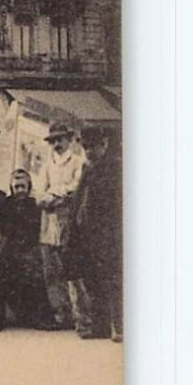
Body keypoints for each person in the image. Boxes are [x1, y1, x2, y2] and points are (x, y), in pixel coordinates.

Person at [67, 127, 123, 341]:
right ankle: (100, 327)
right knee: (92, 280)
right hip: (86, 234)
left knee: (112, 280)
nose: (90, 151)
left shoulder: (115, 168)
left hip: (107, 234)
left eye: (94, 146)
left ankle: (119, 327)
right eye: (86, 147)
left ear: (105, 144)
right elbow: (79, 199)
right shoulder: (87, 168)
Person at [34, 120, 86, 329]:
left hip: (69, 221)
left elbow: (76, 186)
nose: (57, 144)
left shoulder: (78, 161)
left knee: (72, 269)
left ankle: (80, 315)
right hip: (49, 222)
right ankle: (60, 314)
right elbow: (39, 191)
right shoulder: (47, 165)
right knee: (51, 270)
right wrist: (48, 198)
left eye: (60, 140)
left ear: (70, 139)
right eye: (53, 141)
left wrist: (58, 194)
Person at [0, 169, 54, 329]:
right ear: (11, 187)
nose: (20, 191)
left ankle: (41, 318)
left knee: (36, 273)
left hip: (28, 248)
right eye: (16, 187)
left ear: (29, 187)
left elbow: (36, 229)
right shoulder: (5, 204)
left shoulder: (34, 205)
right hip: (9, 248)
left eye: (23, 187)